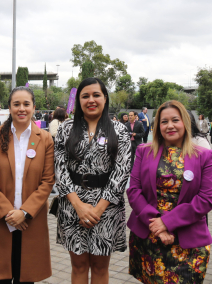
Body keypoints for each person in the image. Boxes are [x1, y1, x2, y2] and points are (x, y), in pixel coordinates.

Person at [127, 100, 212, 284]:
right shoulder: (143, 152)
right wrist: (158, 227)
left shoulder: (204, 156)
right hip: (150, 236)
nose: (170, 126)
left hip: (188, 240)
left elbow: (205, 200)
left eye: (175, 120)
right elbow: (134, 191)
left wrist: (167, 222)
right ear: (157, 126)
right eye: (164, 121)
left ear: (185, 121)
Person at [0, 86, 55, 283]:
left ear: (34, 107)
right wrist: (8, 213)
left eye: (26, 104)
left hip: (30, 222)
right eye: (16, 104)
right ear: (8, 108)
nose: (21, 108)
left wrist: (24, 212)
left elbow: (47, 181)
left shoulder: (44, 139)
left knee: (26, 277)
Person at [55, 77, 131, 284]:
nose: (91, 100)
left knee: (100, 267)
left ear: (105, 98)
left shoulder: (120, 130)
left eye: (96, 95)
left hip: (106, 207)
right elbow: (59, 169)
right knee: (78, 266)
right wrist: (78, 205)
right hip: (72, 205)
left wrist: (97, 210)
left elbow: (122, 172)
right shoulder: (65, 128)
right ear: (79, 100)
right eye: (85, 96)